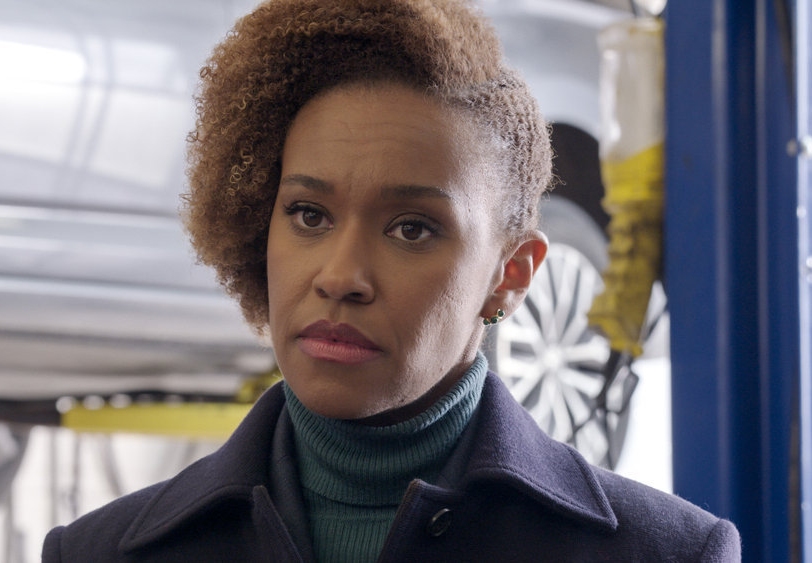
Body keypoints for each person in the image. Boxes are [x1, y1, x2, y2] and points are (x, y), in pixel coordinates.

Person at [42, 0, 741, 560]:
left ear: (510, 274)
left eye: (411, 228)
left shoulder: (667, 553)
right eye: (309, 214)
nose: (341, 276)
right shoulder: (99, 553)